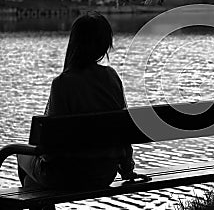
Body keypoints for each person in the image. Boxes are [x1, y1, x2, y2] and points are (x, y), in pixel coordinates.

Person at [17, 12, 136, 192]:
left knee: (21, 155)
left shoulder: (62, 83)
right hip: (104, 173)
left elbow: (50, 149)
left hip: (65, 176)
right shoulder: (112, 78)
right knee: (33, 181)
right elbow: (124, 132)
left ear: (74, 43)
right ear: (105, 44)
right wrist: (127, 168)